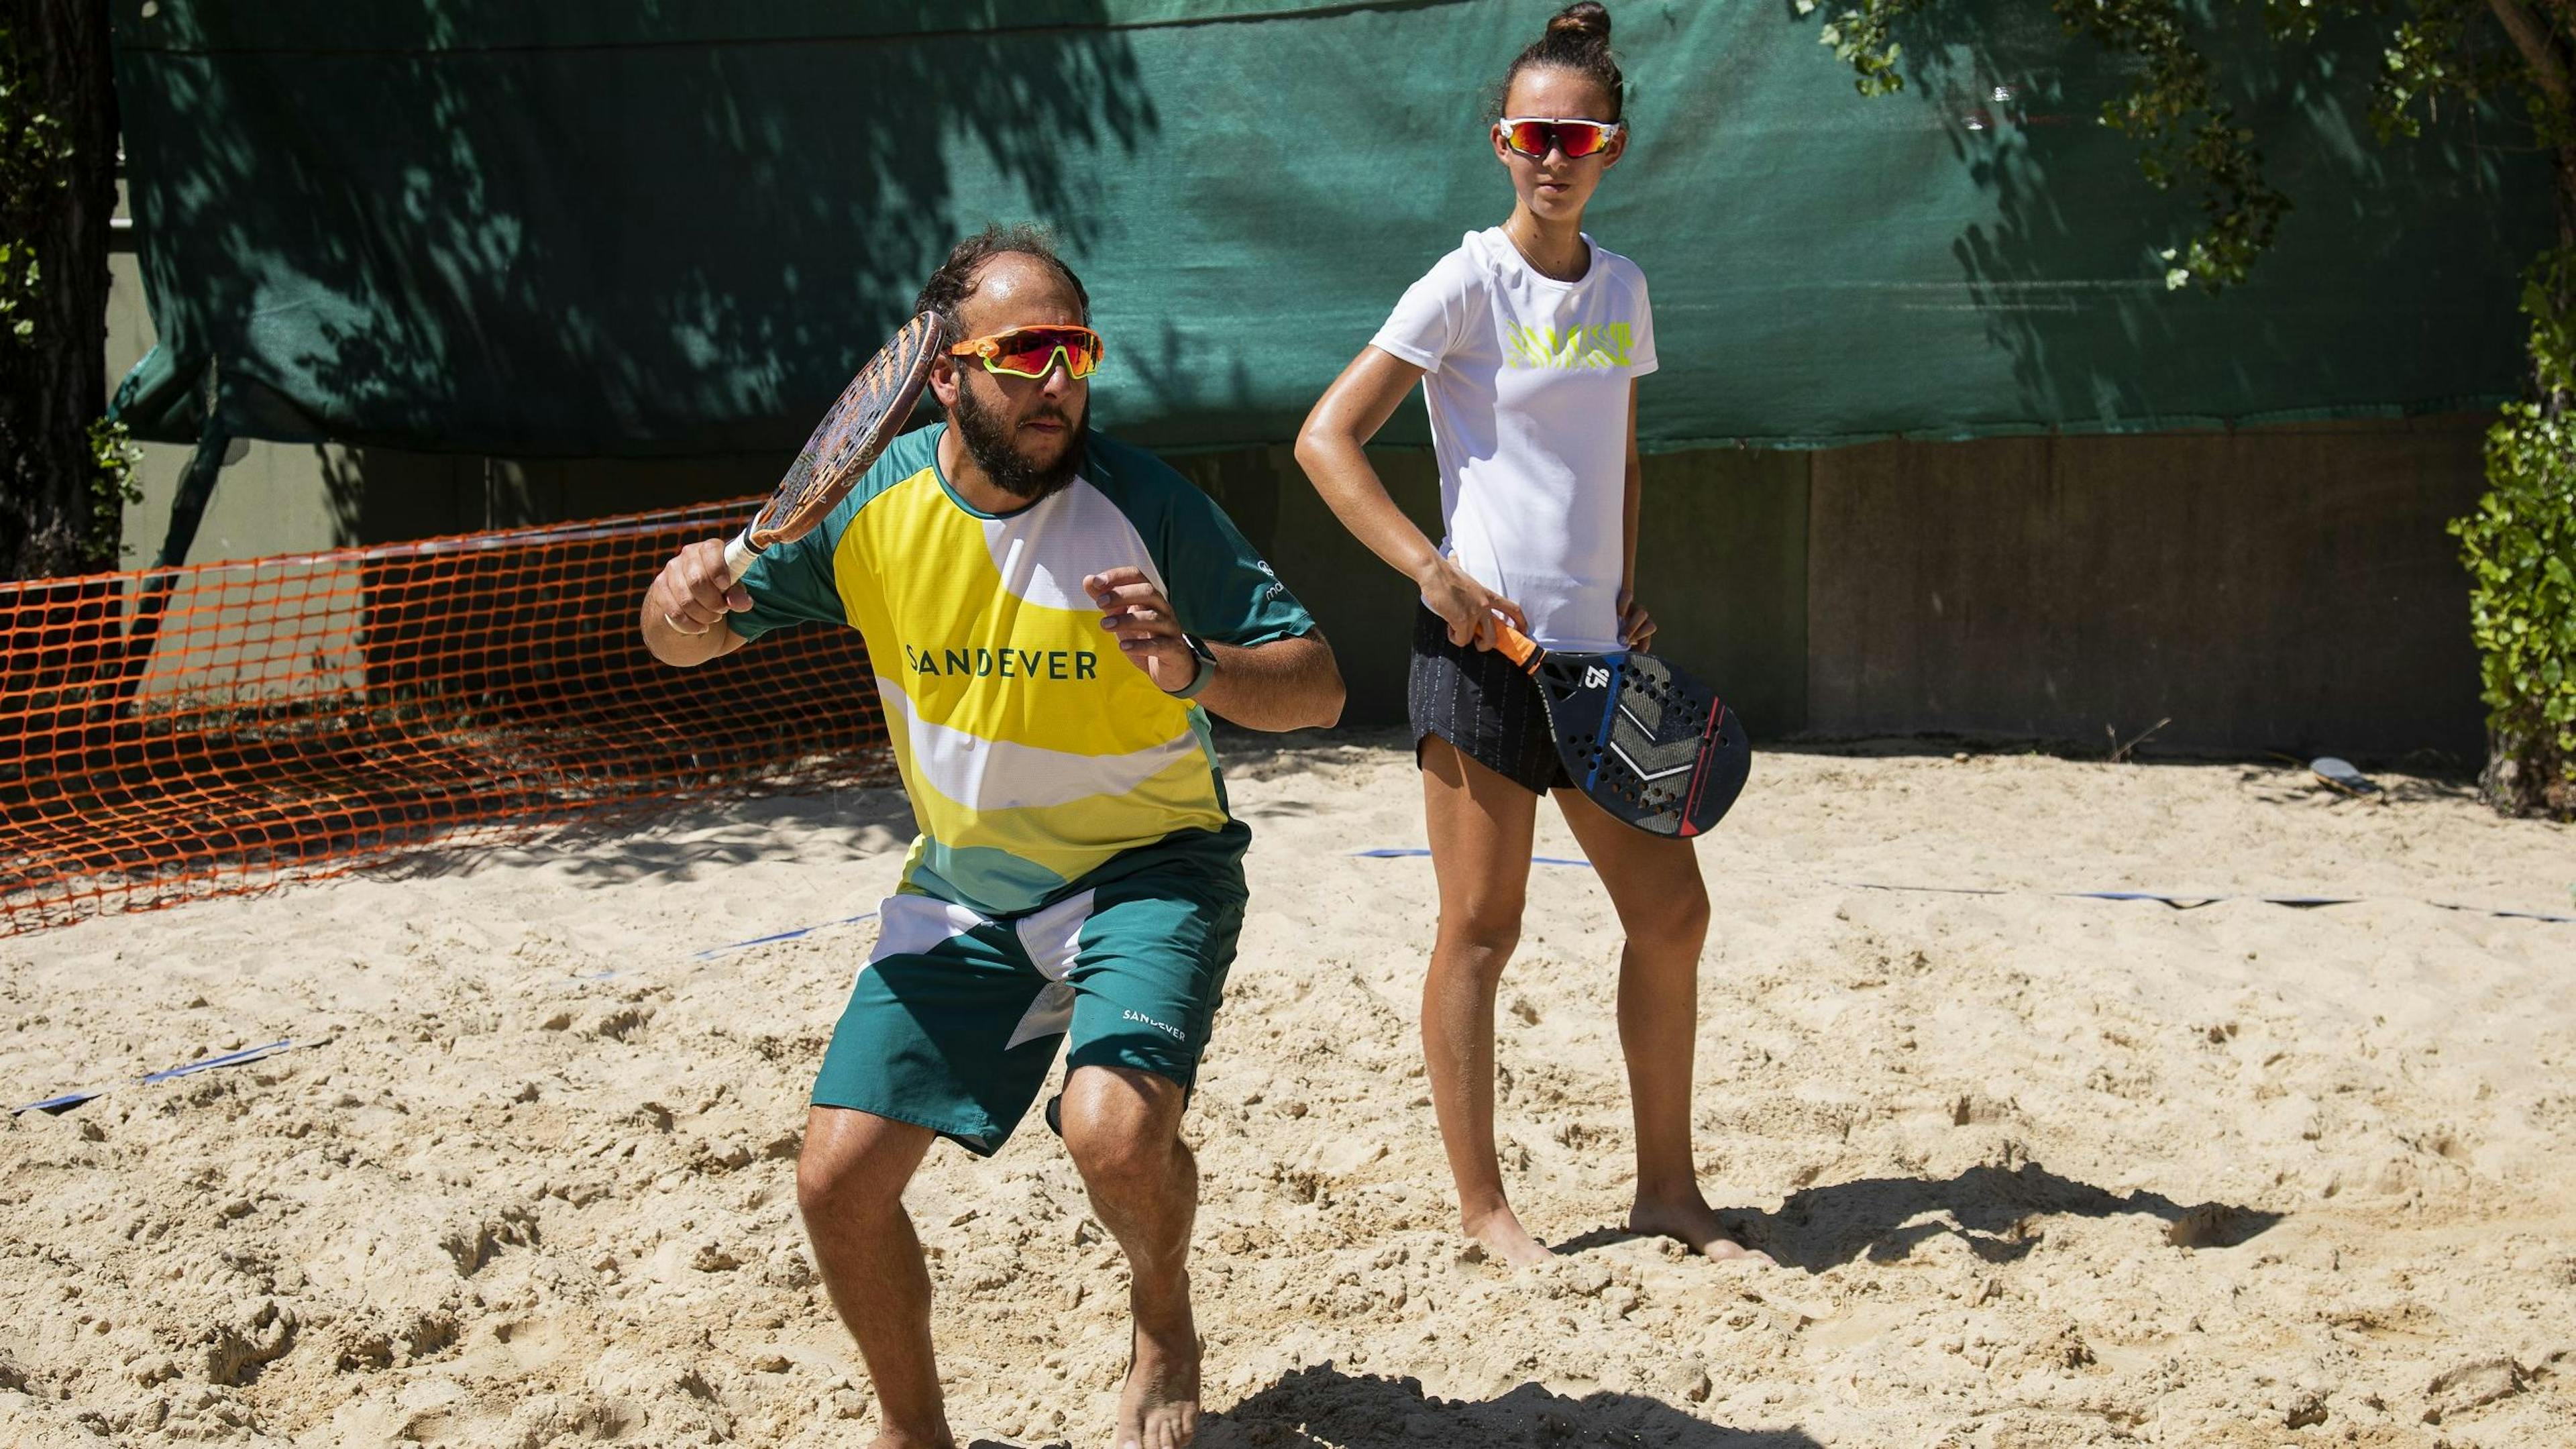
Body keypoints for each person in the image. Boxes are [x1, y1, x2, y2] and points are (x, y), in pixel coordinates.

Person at [641, 225, 1345, 1449]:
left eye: (1076, 350)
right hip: (967, 888)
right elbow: (681, 640)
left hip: (1149, 870)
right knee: (837, 1186)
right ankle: (917, 1436)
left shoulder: (1146, 505)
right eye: (1026, 353)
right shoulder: (870, 503)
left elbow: (1321, 686)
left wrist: (1191, 663)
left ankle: (1163, 1319)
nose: (1060, 381)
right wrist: (680, 602)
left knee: (1113, 1131)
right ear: (946, 375)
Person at [1293, 3, 1770, 1271]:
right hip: (1480, 661)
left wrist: (1623, 581)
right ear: (1501, 142)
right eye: (1533, 133)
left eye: (1581, 136)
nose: (1555, 156)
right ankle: (1485, 1213)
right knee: (1483, 931)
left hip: (1600, 664)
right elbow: (1324, 439)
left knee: (1673, 918)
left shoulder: (1622, 289)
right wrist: (1432, 573)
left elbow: (1612, 444)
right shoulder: (1466, 280)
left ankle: (1667, 1191)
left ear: (1613, 146)